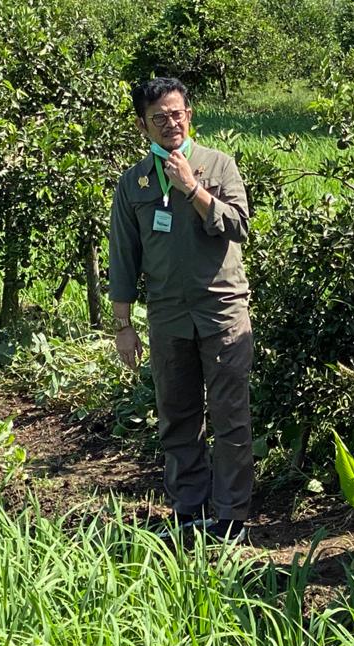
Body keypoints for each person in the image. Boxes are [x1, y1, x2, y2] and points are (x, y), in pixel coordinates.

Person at [109, 77, 253, 543]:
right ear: (142, 125)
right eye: (159, 118)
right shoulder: (134, 183)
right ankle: (189, 511)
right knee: (177, 416)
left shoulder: (218, 165)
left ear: (189, 114)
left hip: (222, 310)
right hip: (168, 317)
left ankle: (230, 516)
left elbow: (238, 225)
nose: (170, 123)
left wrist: (192, 189)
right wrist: (123, 326)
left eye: (177, 113)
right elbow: (123, 256)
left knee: (230, 416)